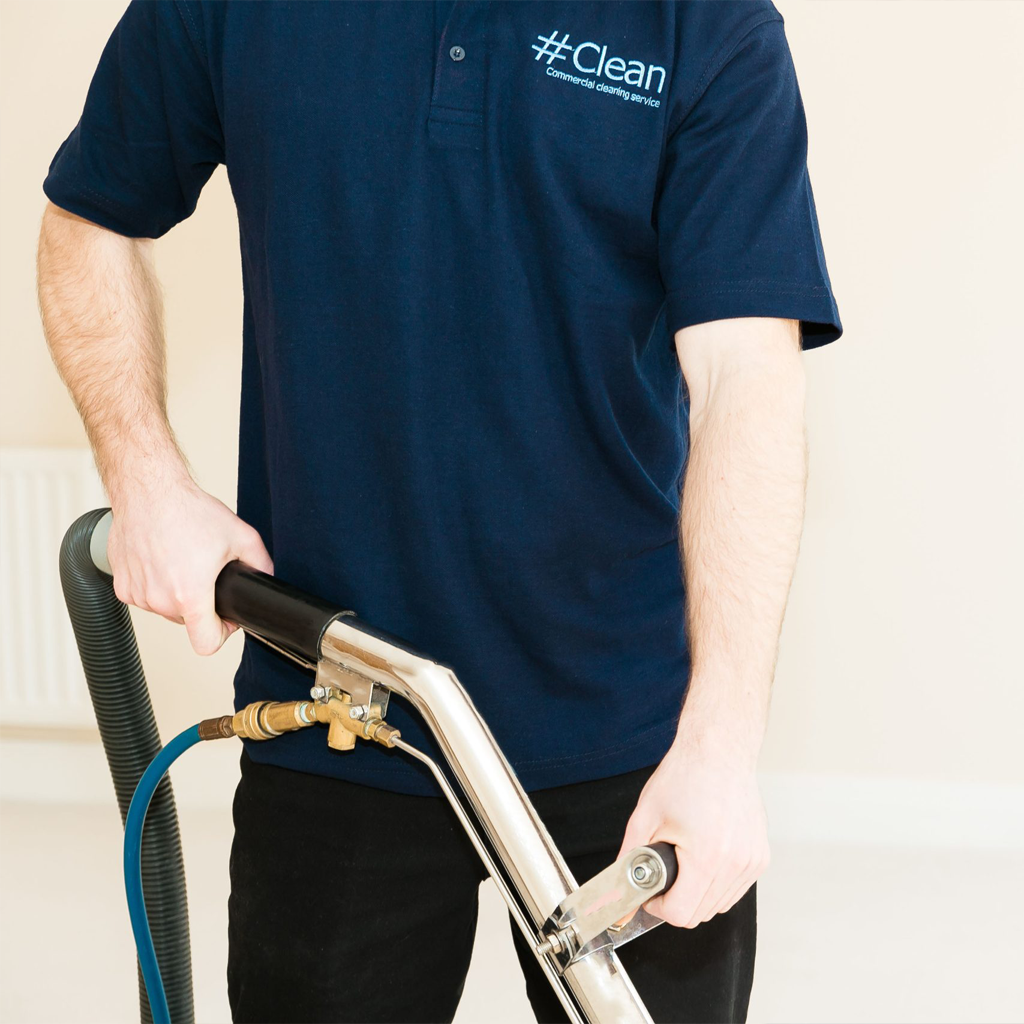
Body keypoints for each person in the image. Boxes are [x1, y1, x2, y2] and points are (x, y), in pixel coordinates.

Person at [37, 2, 841, 1022]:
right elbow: (88, 217)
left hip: (629, 738)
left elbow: (746, 384)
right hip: (335, 705)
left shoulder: (703, 24)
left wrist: (719, 751)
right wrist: (146, 478)